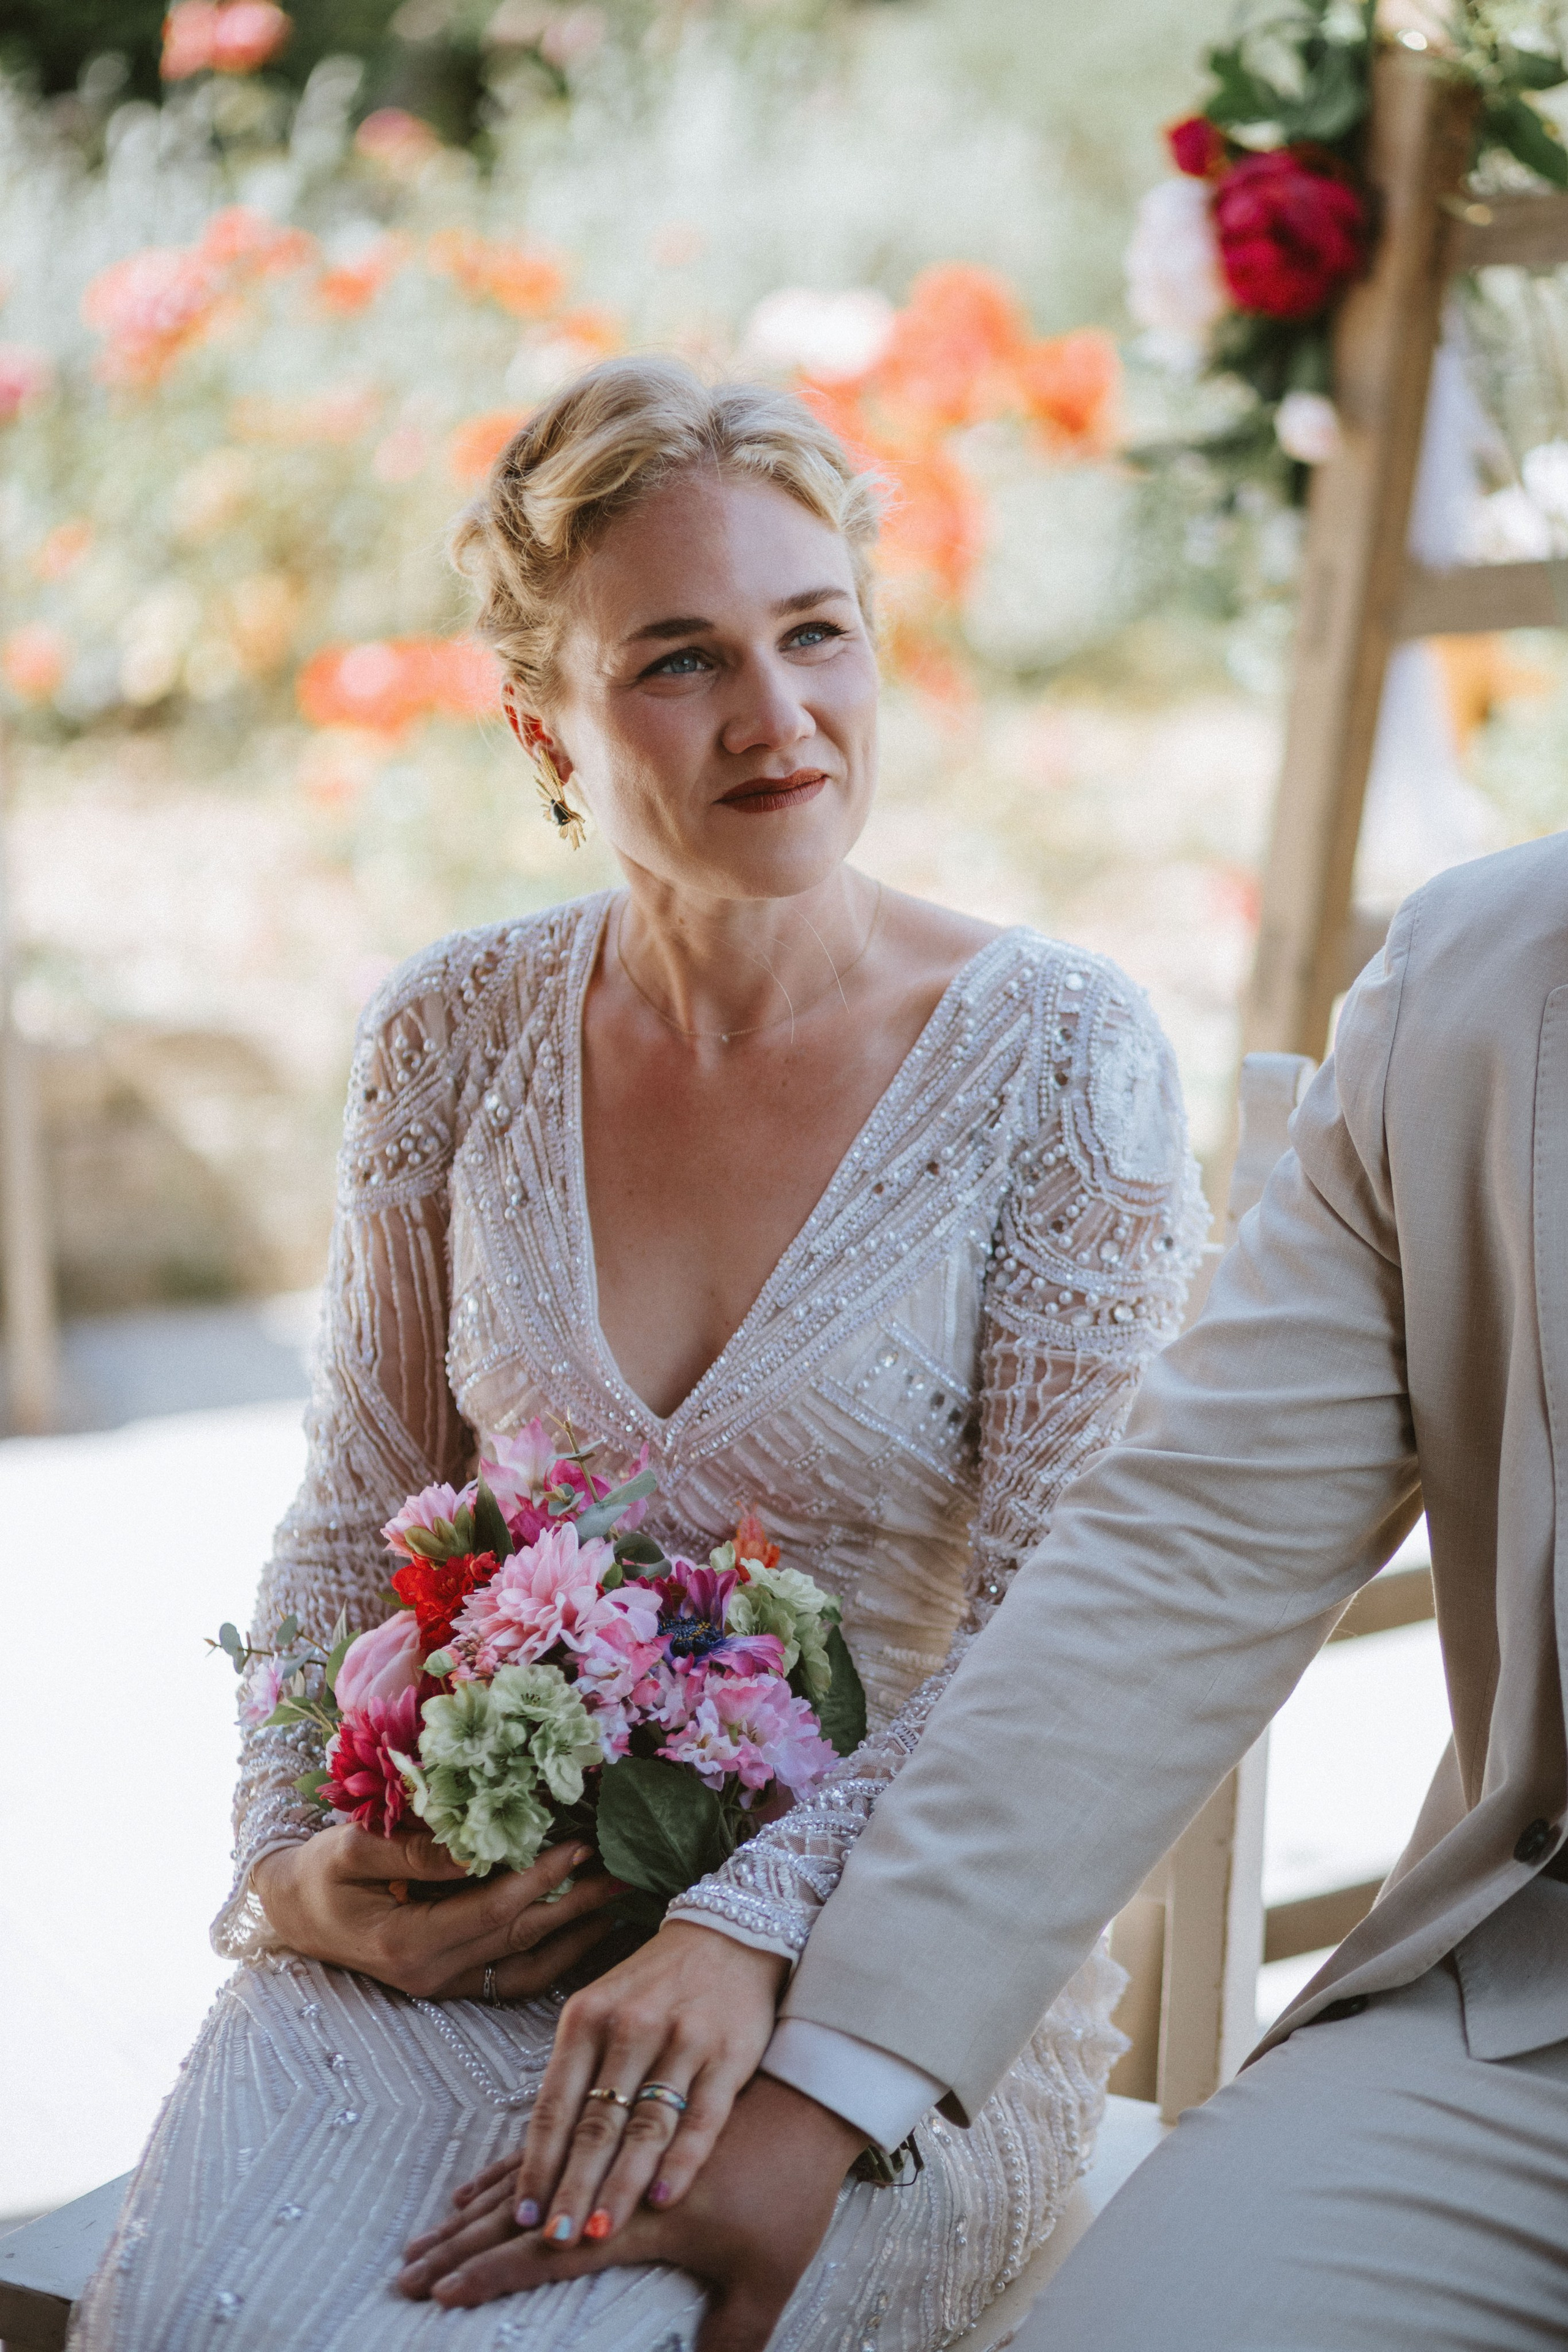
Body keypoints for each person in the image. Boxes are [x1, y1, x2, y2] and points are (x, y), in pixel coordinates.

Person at [69, 355, 1208, 2352]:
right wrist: (292, 1867)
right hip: (466, 1943)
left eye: (816, 632)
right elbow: (356, 1507)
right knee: (210, 2315)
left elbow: (1075, 1643)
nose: (779, 720)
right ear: (546, 725)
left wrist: (744, 1925)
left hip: (887, 2002)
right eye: (679, 660)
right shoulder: (452, 1032)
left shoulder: (1061, 1056)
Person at [404, 829, 1568, 2352]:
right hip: (1523, 2027)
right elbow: (1182, 1556)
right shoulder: (1483, 976)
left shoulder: (1045, 1034)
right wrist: (826, 2086)